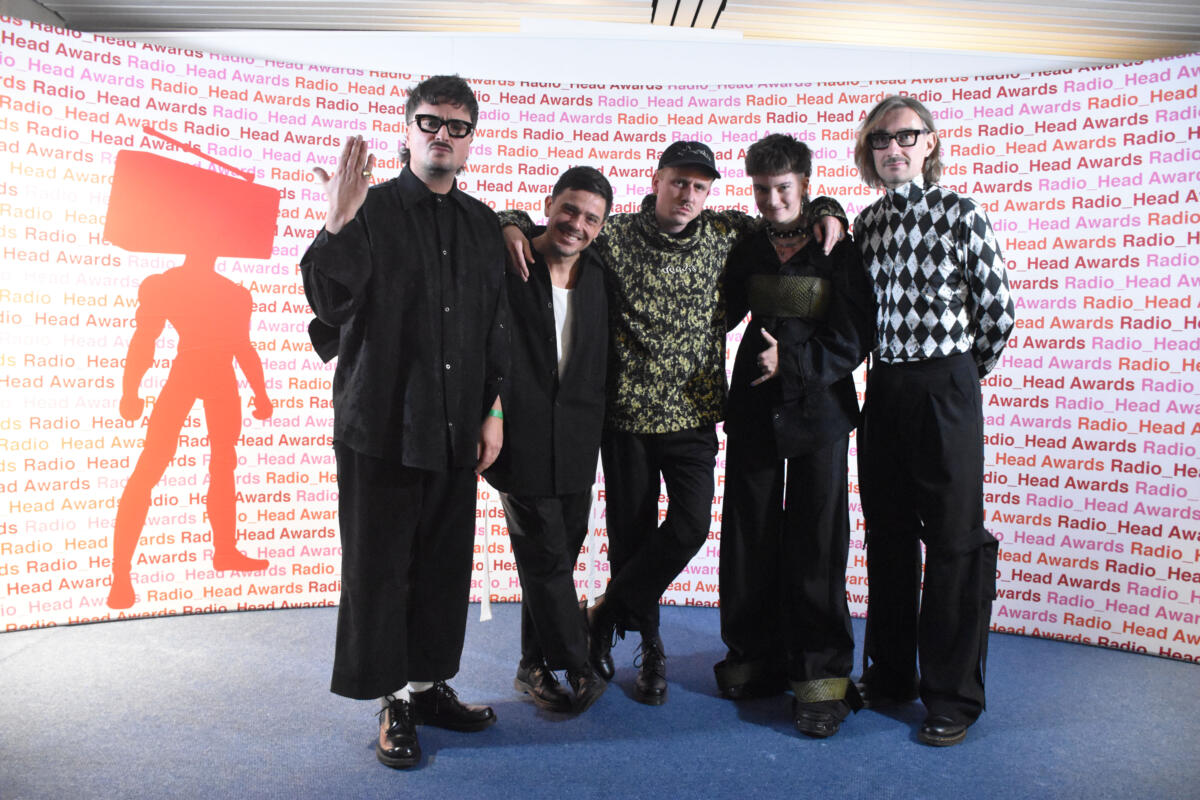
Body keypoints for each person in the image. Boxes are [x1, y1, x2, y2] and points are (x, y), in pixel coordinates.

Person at [502, 141, 846, 706]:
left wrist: (829, 209)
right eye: (679, 182)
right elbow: (549, 228)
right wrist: (511, 224)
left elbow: (786, 218)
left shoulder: (728, 233)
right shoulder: (612, 234)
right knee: (631, 539)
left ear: (709, 193)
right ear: (656, 180)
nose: (688, 195)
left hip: (694, 417)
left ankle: (606, 613)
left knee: (689, 527)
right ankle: (651, 647)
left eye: (699, 187)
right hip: (626, 419)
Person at [300, 75, 509, 770]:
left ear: (471, 139)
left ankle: (427, 687)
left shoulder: (482, 224)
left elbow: (494, 328)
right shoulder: (368, 209)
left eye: (457, 126)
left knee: (443, 567)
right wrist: (336, 223)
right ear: (408, 130)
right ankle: (393, 700)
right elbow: (328, 308)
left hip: (454, 426)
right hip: (380, 425)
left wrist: (493, 412)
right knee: (379, 569)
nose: (442, 135)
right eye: (430, 122)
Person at [851, 95, 1014, 746]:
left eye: (905, 136)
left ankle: (952, 697)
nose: (892, 148)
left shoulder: (961, 213)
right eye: (880, 140)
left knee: (953, 542)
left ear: (929, 143)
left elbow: (997, 312)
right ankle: (891, 675)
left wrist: (958, 379)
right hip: (885, 387)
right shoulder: (866, 224)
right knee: (889, 537)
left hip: (946, 385)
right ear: (869, 152)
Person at [717, 134, 874, 738]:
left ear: (805, 184)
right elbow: (721, 309)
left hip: (821, 410)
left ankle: (821, 676)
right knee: (748, 533)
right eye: (761, 189)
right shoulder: (746, 243)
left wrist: (796, 363)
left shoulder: (837, 245)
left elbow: (855, 336)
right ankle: (754, 655)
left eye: (783, 188)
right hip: (755, 404)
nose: (773, 200)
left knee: (817, 539)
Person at [483, 166, 612, 714]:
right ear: (549, 205)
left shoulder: (601, 273)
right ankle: (578, 664)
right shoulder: (507, 259)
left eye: (591, 219)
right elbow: (479, 343)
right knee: (545, 555)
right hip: (519, 435)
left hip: (578, 440)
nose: (577, 224)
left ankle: (531, 666)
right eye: (569, 210)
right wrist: (489, 410)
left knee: (555, 558)